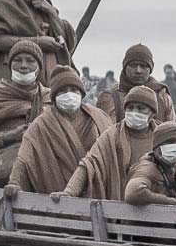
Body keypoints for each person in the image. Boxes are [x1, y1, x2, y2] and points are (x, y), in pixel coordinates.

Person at [7, 66, 111, 195]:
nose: (69, 94)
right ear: (54, 97)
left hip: (96, 197)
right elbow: (24, 158)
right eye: (62, 91)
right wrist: (15, 182)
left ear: (81, 93)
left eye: (73, 90)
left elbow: (114, 150)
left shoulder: (99, 119)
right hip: (55, 199)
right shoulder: (41, 125)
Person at [0, 40, 49, 186]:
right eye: (18, 60)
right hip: (1, 179)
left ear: (39, 67)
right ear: (10, 65)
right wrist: (12, 136)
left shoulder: (49, 98)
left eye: (30, 61)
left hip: (43, 178)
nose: (23, 65)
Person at [62, 85, 159, 200]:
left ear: (152, 113)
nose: (134, 112)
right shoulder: (112, 135)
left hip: (155, 205)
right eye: (130, 108)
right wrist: (69, 192)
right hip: (119, 204)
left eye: (141, 108)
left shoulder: (163, 135)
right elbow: (90, 162)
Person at [96, 44, 176, 124]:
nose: (138, 70)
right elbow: (104, 131)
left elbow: (172, 130)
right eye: (133, 65)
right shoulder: (110, 97)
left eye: (143, 66)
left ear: (150, 69)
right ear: (125, 68)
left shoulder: (162, 95)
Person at [124, 122, 176, 207]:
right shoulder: (147, 168)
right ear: (157, 146)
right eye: (170, 142)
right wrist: (168, 201)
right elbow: (133, 193)